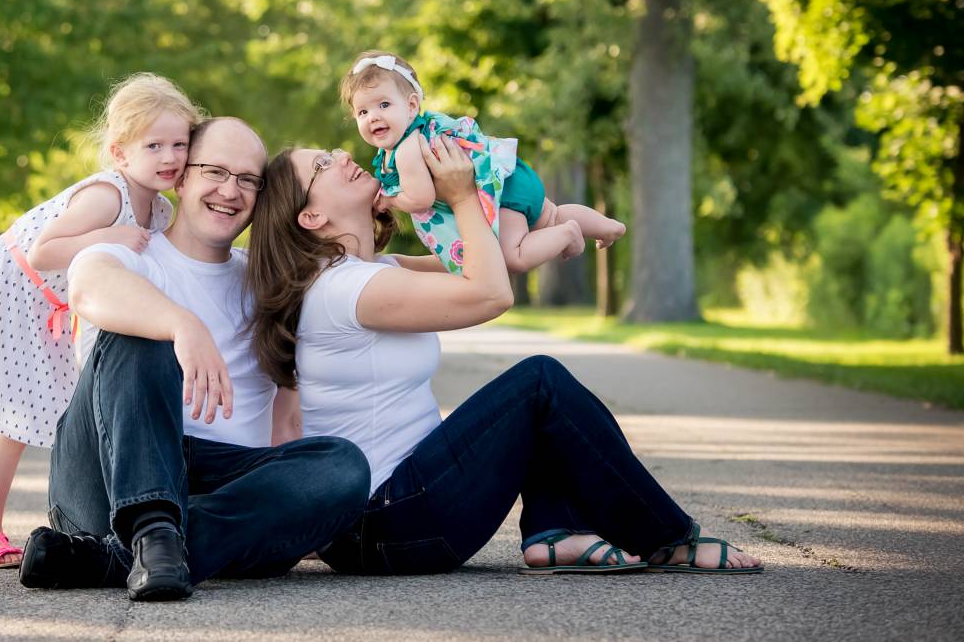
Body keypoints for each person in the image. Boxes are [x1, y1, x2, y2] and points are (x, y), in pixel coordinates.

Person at [246, 137, 763, 576]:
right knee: (539, 384)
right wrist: (463, 194)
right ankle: (669, 537)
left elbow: (478, 264)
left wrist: (532, 216)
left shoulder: (369, 269)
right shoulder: (348, 289)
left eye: (330, 151)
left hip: (389, 517)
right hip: (389, 523)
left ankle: (554, 531)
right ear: (310, 215)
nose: (340, 155)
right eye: (320, 165)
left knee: (532, 402)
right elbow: (490, 295)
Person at [19, 116, 371, 601]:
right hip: (108, 473)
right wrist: (182, 325)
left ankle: (125, 555)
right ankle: (151, 529)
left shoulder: (266, 282)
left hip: (220, 484)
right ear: (182, 176)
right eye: (216, 172)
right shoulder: (133, 253)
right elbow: (88, 288)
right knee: (136, 332)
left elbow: (366, 265)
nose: (231, 190)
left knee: (343, 466)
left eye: (248, 179)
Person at [0, 73, 200, 569]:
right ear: (120, 153)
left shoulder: (161, 209)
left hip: (59, 303)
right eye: (154, 145)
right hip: (15, 288)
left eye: (179, 144)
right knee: (18, 416)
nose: (170, 157)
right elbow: (44, 251)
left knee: (68, 407)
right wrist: (115, 237)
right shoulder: (108, 195)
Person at [342, 50, 624, 274]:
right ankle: (609, 226)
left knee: (512, 257)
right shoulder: (415, 136)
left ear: (412, 105)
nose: (373, 117)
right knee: (551, 214)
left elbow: (421, 198)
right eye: (363, 111)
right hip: (510, 175)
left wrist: (390, 200)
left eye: (384, 105)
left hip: (501, 196)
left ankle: (569, 233)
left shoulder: (406, 149)